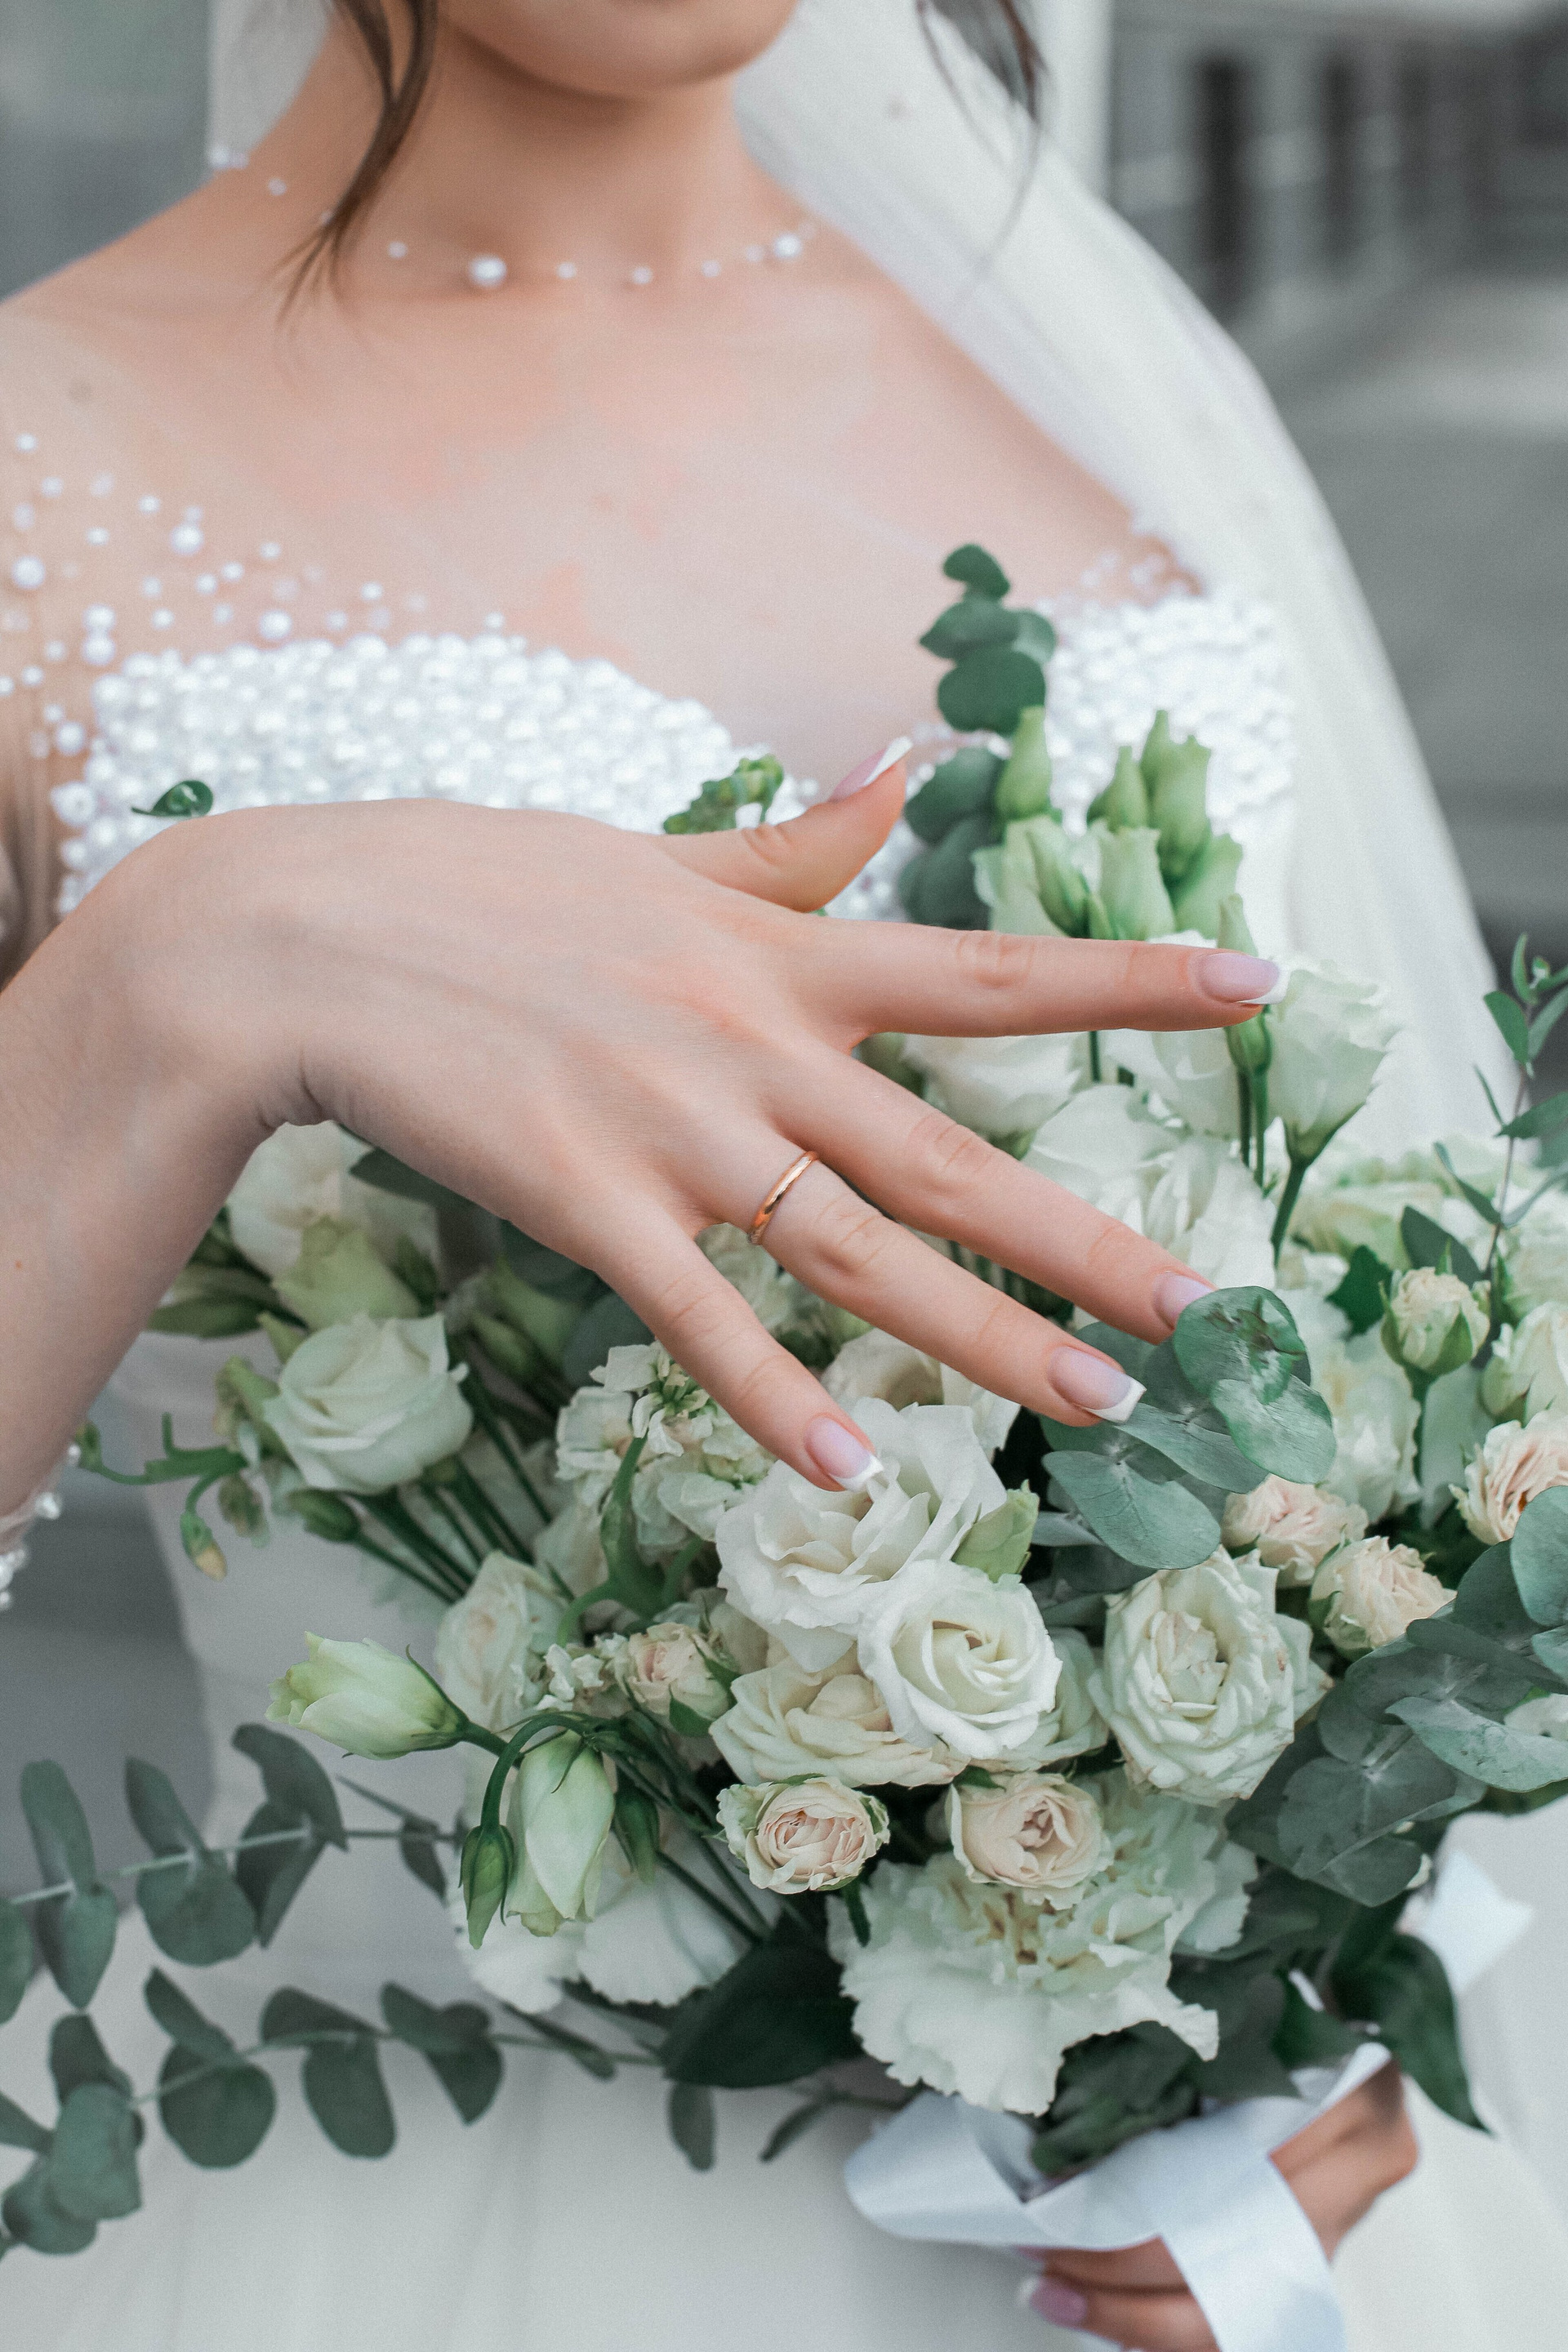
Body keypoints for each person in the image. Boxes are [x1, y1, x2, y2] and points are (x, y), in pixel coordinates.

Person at [0, 3, 1561, 2347]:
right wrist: (189, 965)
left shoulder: (1111, 401)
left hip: (1173, 2228)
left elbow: (1399, 1370)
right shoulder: (31, 479)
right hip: (414, 2200)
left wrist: (1334, 1997)